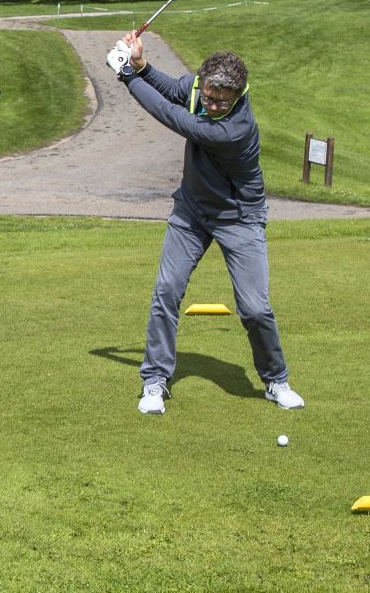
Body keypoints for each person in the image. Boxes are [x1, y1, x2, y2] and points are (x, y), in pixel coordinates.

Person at [113, 34, 303, 417]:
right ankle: (155, 380)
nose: (213, 106)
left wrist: (125, 77)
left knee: (254, 308)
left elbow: (173, 115)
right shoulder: (199, 88)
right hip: (192, 212)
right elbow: (172, 89)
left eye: (222, 102)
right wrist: (139, 65)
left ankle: (275, 379)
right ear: (204, 83)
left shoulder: (235, 129)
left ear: (239, 96)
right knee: (166, 291)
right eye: (210, 98)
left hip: (240, 218)